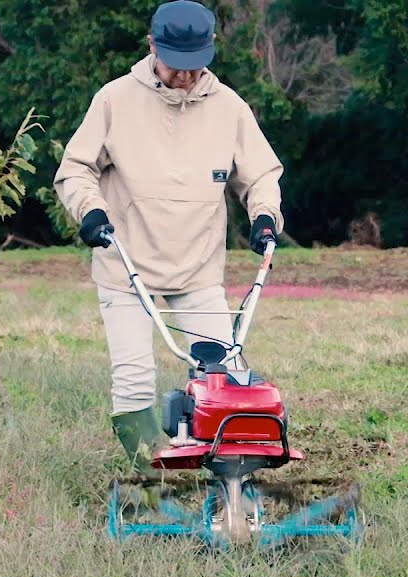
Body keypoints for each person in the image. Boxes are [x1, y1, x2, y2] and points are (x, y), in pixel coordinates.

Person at [54, 0, 284, 490]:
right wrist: (90, 211)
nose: (184, 74)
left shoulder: (230, 109)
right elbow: (75, 169)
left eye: (195, 62)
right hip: (126, 264)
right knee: (134, 378)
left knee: (226, 379)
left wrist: (264, 217)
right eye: (175, 62)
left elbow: (261, 174)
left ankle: (228, 484)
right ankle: (155, 485)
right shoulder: (115, 100)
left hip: (197, 268)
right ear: (152, 45)